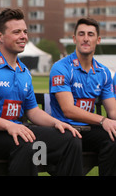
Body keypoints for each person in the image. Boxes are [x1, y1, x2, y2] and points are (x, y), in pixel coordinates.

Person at [0, 8, 83, 176]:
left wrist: (56, 123)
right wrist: (9, 125)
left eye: (25, 32)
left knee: (70, 139)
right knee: (26, 143)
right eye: (16, 32)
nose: (24, 36)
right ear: (0, 36)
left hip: (15, 131)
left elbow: (32, 111)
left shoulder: (24, 71)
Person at [49, 17, 116, 176]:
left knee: (113, 139)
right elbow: (68, 110)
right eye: (81, 34)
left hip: (88, 130)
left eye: (91, 34)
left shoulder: (104, 72)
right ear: (74, 38)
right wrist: (102, 120)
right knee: (73, 141)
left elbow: (112, 111)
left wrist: (110, 121)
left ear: (98, 40)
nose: (86, 38)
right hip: (64, 129)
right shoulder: (61, 67)